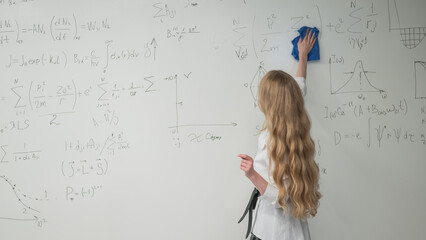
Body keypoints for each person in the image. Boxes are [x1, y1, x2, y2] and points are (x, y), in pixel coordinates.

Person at [238, 29, 321, 240]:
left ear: (271, 103)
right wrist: (303, 58)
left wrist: (252, 175)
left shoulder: (274, 141)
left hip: (275, 233)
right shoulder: (294, 126)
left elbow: (282, 198)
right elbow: (299, 89)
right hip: (290, 232)